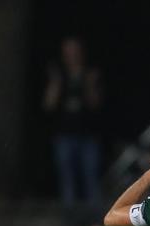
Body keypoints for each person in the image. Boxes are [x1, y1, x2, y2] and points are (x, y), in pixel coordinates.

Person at [43, 37, 104, 208]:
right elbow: (48, 105)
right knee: (67, 179)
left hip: (88, 135)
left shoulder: (90, 74)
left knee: (90, 178)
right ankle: (69, 217)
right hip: (63, 136)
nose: (72, 55)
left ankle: (94, 217)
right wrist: (55, 83)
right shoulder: (59, 75)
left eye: (75, 51)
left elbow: (95, 104)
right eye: (68, 52)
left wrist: (89, 84)